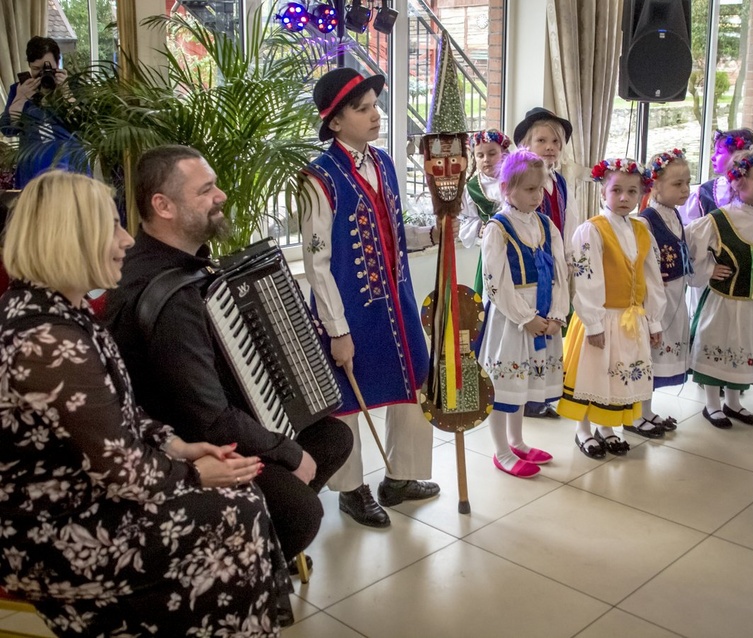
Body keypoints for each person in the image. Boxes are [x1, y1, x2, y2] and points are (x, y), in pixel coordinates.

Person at [0, 170, 287, 636]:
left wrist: (177, 446)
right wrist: (195, 473)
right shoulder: (48, 342)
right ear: (69, 239)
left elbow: (120, 411)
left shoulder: (62, 311)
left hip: (82, 497)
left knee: (242, 499)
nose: (127, 240)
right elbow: (120, 469)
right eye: (112, 226)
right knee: (237, 511)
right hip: (50, 531)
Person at [104, 145, 353, 570]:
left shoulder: (180, 268)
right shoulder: (168, 296)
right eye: (205, 190)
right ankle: (253, 566)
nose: (220, 196)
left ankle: (261, 546)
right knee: (301, 510)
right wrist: (286, 452)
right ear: (163, 206)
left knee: (332, 436)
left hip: (206, 425)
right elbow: (209, 419)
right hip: (186, 448)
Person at [300, 68, 439, 528]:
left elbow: (390, 230)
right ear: (335, 121)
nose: (375, 115)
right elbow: (317, 263)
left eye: (375, 106)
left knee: (414, 382)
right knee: (348, 400)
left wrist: (430, 234)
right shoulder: (318, 179)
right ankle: (351, 489)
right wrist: (337, 330)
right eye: (363, 109)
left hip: (396, 302)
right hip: (347, 310)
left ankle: (401, 476)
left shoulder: (383, 163)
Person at [558, 158, 665, 459]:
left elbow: (652, 278)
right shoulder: (591, 230)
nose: (624, 197)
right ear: (603, 190)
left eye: (632, 191)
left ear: (641, 194)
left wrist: (654, 320)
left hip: (631, 319)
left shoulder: (642, 229)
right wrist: (593, 323)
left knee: (615, 378)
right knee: (593, 375)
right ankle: (583, 430)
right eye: (616, 190)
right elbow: (586, 279)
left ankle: (606, 428)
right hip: (601, 317)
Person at [476, 150, 570, 477]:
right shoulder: (497, 228)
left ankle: (517, 441)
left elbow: (560, 273)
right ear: (506, 189)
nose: (537, 195)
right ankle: (501, 451)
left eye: (539, 188)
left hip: (543, 314)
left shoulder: (546, 225)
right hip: (511, 320)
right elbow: (495, 282)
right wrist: (525, 317)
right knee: (504, 386)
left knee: (522, 385)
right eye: (529, 189)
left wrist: (557, 313)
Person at [686, 148, 753, 428]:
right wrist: (709, 269)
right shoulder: (719, 219)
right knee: (719, 342)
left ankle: (733, 403)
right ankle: (712, 404)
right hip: (724, 300)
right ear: (737, 182)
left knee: (743, 345)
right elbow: (691, 249)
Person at [513, 107, 579, 419]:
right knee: (528, 331)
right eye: (542, 140)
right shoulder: (516, 183)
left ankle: (540, 393)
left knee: (549, 327)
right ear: (525, 146)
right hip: (526, 270)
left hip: (551, 266)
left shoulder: (560, 183)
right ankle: (521, 396)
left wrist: (569, 258)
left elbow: (570, 222)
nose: (550, 147)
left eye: (555, 141)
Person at [630, 149, 693, 438]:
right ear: (655, 186)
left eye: (687, 182)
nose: (685, 189)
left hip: (674, 296)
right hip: (654, 299)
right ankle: (635, 413)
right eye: (677, 184)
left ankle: (647, 409)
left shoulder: (675, 215)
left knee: (658, 357)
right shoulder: (646, 221)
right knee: (647, 356)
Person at [0, 37, 83, 189]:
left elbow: (84, 125)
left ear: (58, 63)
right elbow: (8, 130)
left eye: (48, 68)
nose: (42, 74)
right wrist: (20, 99)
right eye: (36, 69)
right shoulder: (20, 89)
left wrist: (67, 94)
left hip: (69, 166)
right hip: (32, 167)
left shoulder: (73, 86)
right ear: (29, 66)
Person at [458, 128, 511, 295]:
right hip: (491, 249)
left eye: (492, 153)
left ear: (504, 154)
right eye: (480, 155)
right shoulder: (472, 188)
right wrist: (479, 227)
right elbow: (466, 220)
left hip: (519, 245)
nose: (486, 159)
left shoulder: (516, 180)